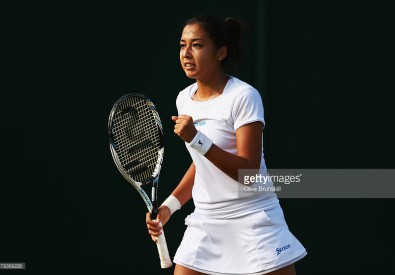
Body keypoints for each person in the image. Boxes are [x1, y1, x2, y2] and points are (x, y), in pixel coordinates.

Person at [146, 15, 307, 275]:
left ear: (220, 52)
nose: (186, 53)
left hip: (253, 219)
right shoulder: (183, 99)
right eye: (182, 45)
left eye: (197, 45)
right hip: (206, 222)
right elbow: (202, 164)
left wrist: (197, 138)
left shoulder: (244, 97)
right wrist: (169, 207)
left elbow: (249, 174)